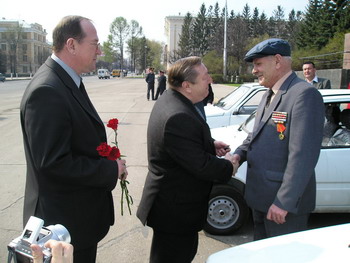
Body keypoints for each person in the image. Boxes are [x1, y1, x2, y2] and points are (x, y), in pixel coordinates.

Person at [20, 16, 128, 263]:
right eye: (94, 44)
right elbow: (53, 163)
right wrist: (110, 169)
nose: (99, 51)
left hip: (75, 222)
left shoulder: (66, 80)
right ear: (71, 45)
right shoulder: (47, 90)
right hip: (61, 229)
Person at [136, 56, 238, 263]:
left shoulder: (172, 98)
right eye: (205, 77)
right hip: (175, 212)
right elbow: (201, 165)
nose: (210, 80)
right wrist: (229, 165)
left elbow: (182, 143)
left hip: (173, 208)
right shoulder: (177, 115)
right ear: (187, 86)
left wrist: (210, 144)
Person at [232, 39, 324, 241]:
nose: (254, 70)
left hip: (281, 206)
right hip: (260, 198)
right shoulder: (269, 94)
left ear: (277, 61)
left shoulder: (304, 95)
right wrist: (238, 155)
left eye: (258, 64)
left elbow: (303, 155)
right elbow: (255, 135)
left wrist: (284, 201)